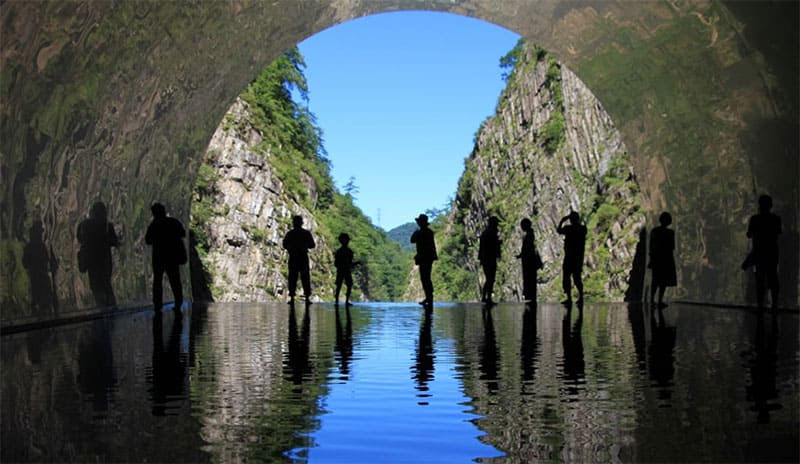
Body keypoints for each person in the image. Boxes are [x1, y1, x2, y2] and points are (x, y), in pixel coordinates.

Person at [145, 203, 186, 313]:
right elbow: (183, 233)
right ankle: (178, 302)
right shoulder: (173, 222)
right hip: (172, 256)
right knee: (175, 280)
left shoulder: (153, 225)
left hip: (158, 257)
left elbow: (148, 240)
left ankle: (157, 304)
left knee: (157, 280)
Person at [77, 201, 119, 307]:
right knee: (106, 286)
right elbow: (114, 242)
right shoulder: (107, 226)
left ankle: (103, 311)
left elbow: (80, 239)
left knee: (97, 288)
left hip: (93, 264)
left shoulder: (85, 225)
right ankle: (110, 310)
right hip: (105, 263)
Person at [745, 194, 781, 310]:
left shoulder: (755, 219)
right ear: (770, 205)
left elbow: (749, 234)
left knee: (760, 280)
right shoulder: (776, 218)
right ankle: (774, 304)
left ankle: (761, 305)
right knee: (773, 278)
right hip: (772, 253)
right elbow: (778, 232)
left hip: (759, 253)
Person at [283, 215, 315, 304]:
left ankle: (292, 297)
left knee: (293, 276)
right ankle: (307, 297)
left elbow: (284, 244)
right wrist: (304, 245)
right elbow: (312, 245)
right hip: (303, 256)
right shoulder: (306, 233)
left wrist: (291, 247)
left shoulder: (290, 233)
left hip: (293, 256)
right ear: (302, 223)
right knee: (305, 277)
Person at [557, 211, 587, 306]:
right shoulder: (582, 229)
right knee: (576, 277)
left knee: (567, 277)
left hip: (569, 256)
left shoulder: (568, 228)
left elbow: (559, 230)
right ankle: (581, 296)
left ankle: (569, 298)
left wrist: (562, 220)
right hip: (578, 257)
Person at [648, 212, 677, 308]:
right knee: (663, 281)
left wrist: (651, 258)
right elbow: (672, 247)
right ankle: (659, 300)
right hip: (666, 258)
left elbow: (651, 247)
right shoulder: (670, 233)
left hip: (656, 258)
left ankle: (651, 300)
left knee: (655, 280)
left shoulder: (654, 231)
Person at [410, 213, 437, 308]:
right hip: (428, 257)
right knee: (426, 278)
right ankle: (429, 297)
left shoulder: (421, 233)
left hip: (424, 258)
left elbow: (412, 240)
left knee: (425, 278)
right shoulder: (429, 232)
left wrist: (415, 232)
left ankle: (429, 297)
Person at [517, 218, 543, 303]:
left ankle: (530, 296)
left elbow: (528, 249)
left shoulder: (529, 235)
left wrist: (522, 255)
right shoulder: (530, 234)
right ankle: (530, 296)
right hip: (529, 260)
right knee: (530, 279)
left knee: (529, 279)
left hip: (529, 261)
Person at [478, 216, 502, 304]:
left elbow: (482, 247)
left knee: (489, 278)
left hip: (486, 259)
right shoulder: (490, 233)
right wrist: (498, 243)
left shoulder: (486, 233)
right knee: (490, 278)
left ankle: (485, 297)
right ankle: (487, 298)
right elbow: (489, 246)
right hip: (489, 258)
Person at [334, 232, 357, 307]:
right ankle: (346, 301)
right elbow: (350, 264)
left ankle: (337, 301)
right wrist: (356, 263)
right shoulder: (349, 251)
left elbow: (336, 263)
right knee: (349, 285)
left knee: (339, 285)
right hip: (346, 271)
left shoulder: (339, 251)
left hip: (340, 270)